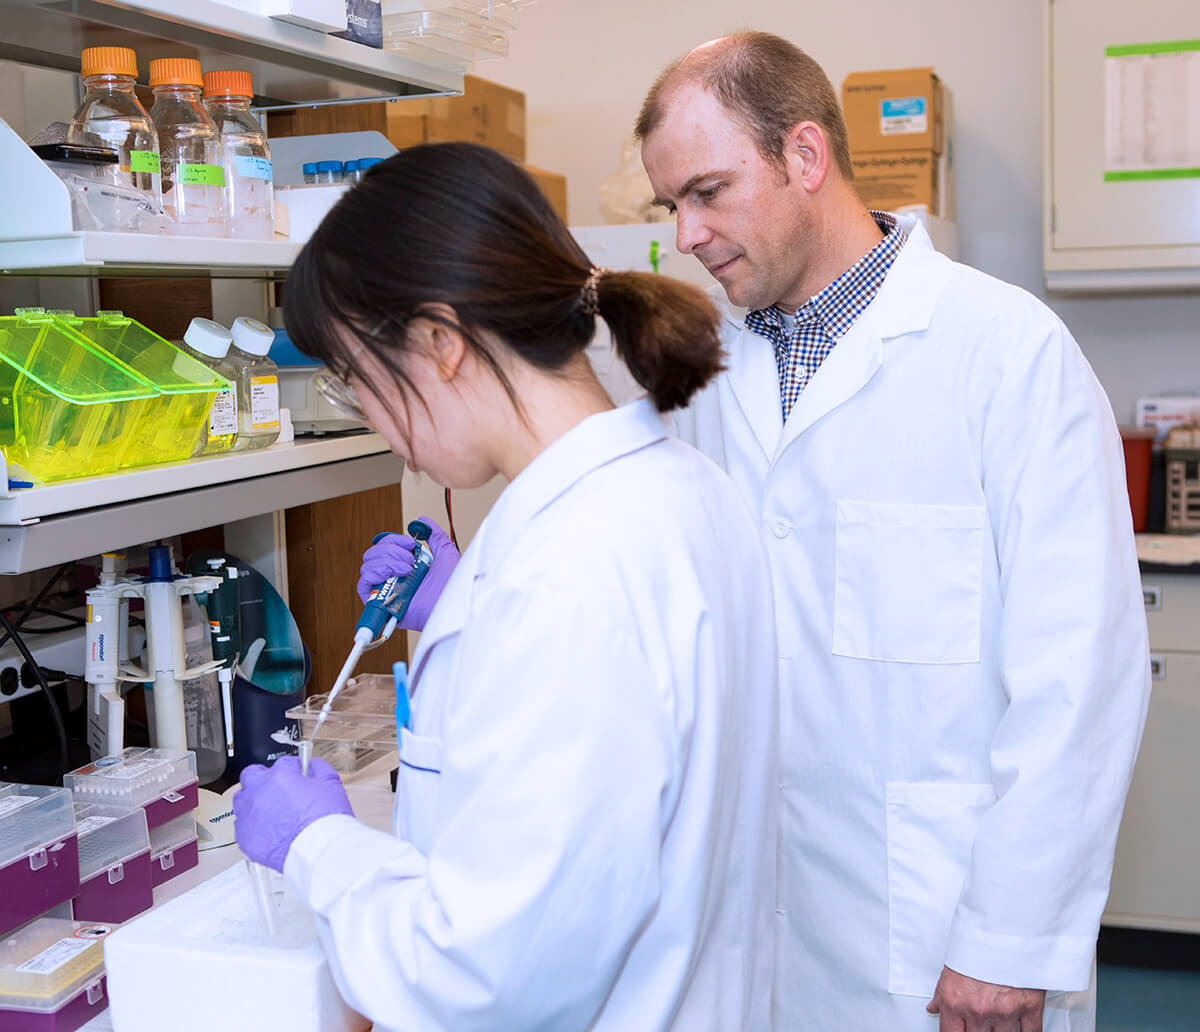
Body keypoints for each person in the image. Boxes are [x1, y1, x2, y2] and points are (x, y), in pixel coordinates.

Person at [630, 31, 1151, 1032]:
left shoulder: (1006, 355)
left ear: (806, 157)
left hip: (943, 944)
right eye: (671, 207)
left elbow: (1079, 680)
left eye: (707, 191)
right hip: (755, 932)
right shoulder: (702, 379)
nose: (686, 234)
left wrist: (1009, 939)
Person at [232, 141, 779, 1032]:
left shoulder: (566, 575)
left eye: (355, 380)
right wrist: (468, 613)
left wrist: (317, 848)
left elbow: (487, 975)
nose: (367, 417)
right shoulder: (680, 488)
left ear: (440, 343)